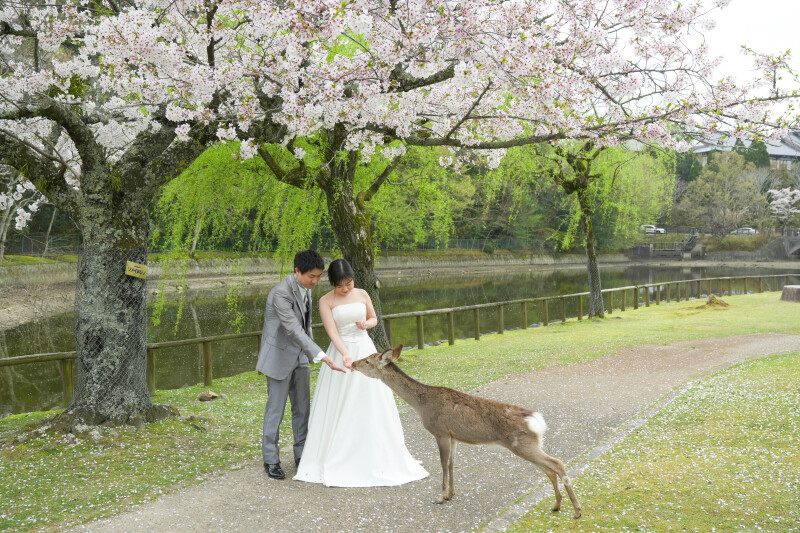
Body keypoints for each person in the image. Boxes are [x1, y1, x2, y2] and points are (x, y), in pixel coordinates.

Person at [294, 258, 429, 487]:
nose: (346, 289)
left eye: (348, 283)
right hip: (342, 352)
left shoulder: (363, 293)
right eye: (340, 286)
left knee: (372, 400)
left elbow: (374, 318)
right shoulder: (326, 301)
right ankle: (338, 452)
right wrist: (345, 353)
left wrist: (367, 324)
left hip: (365, 350)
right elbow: (332, 332)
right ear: (332, 284)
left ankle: (377, 451)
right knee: (341, 401)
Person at [256, 250, 346, 480]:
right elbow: (293, 329)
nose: (315, 281)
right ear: (297, 271)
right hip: (278, 359)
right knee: (275, 410)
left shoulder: (307, 290)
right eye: (311, 277)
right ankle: (271, 459)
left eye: (318, 277)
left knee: (302, 409)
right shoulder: (280, 294)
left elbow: (306, 327)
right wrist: (321, 355)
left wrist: (308, 355)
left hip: (301, 358)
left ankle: (301, 455)